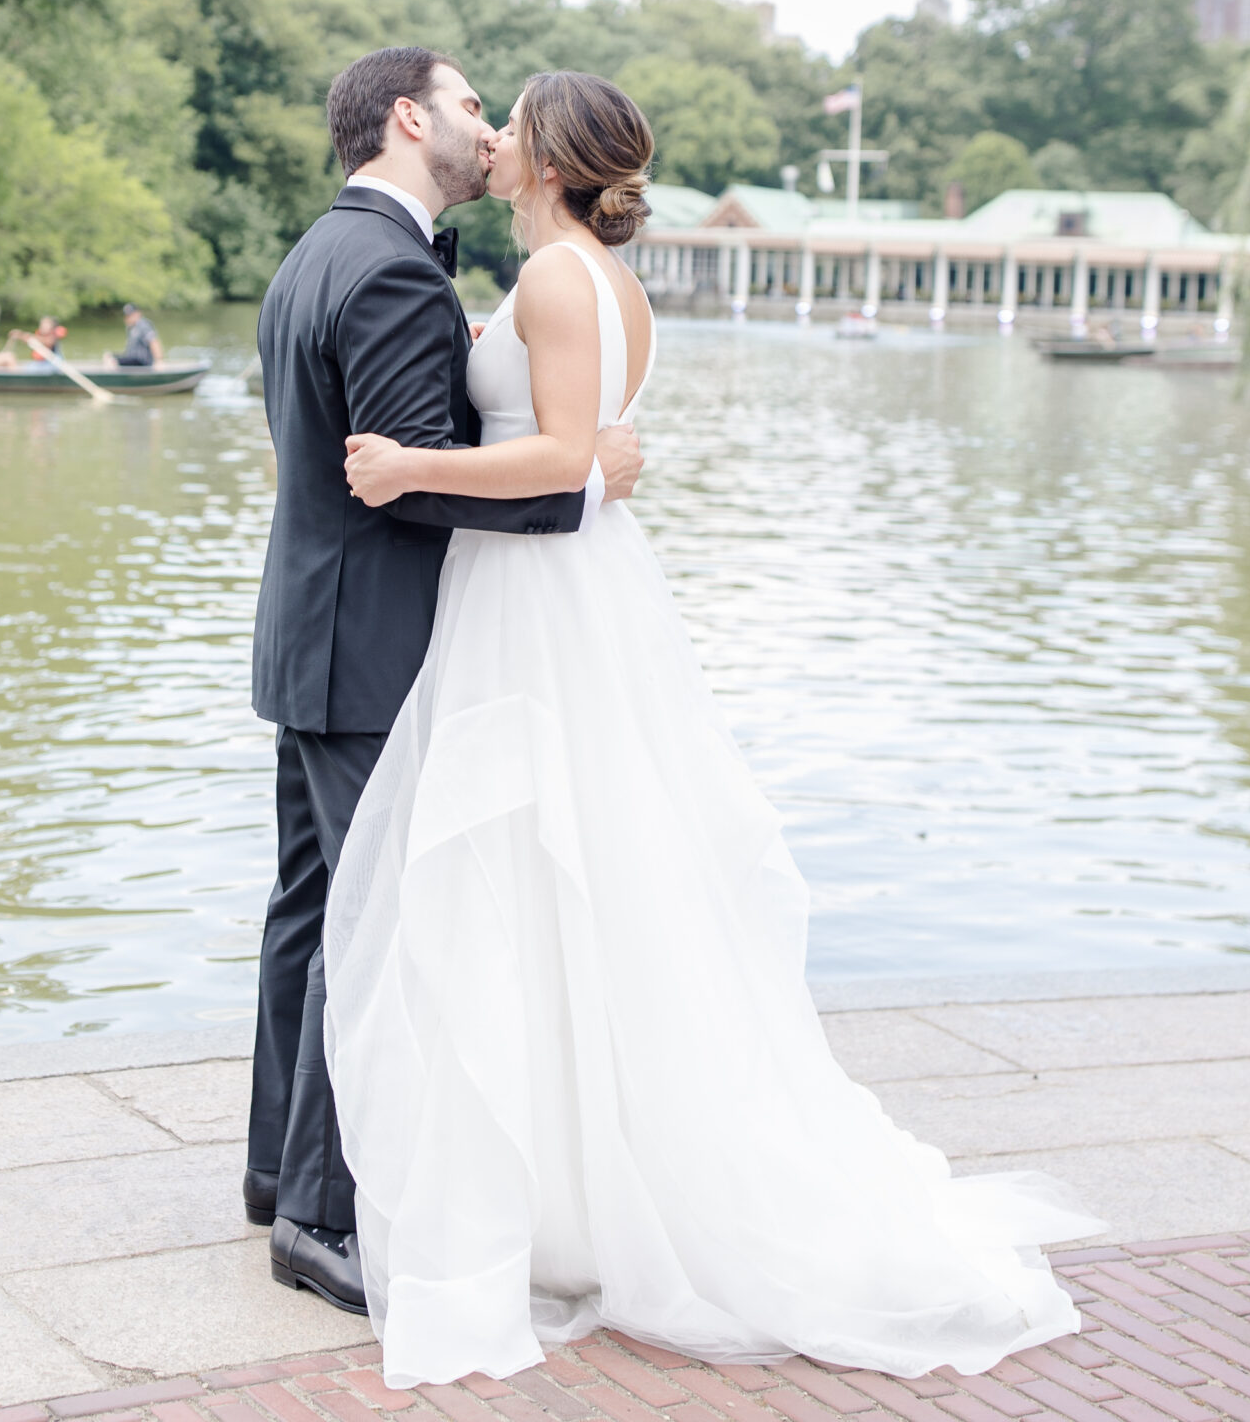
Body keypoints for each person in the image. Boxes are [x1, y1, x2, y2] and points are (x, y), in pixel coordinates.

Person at [324, 71, 1101, 1390]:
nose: (494, 138)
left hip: (541, 599)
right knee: (555, 878)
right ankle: (569, 1177)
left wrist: (410, 470)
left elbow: (563, 451)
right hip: (550, 590)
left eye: (511, 121)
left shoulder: (567, 282)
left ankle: (585, 1189)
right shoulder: (584, 280)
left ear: (553, 158)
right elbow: (592, 449)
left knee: (548, 869)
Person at [246, 47, 645, 1320]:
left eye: (501, 116)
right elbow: (409, 482)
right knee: (369, 919)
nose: (486, 130)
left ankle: (275, 1167)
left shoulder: (320, 251)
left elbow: (394, 461)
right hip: (369, 650)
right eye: (472, 106)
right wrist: (587, 482)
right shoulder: (395, 275)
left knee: (311, 909)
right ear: (410, 117)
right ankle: (319, 1213)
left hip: (311, 635)